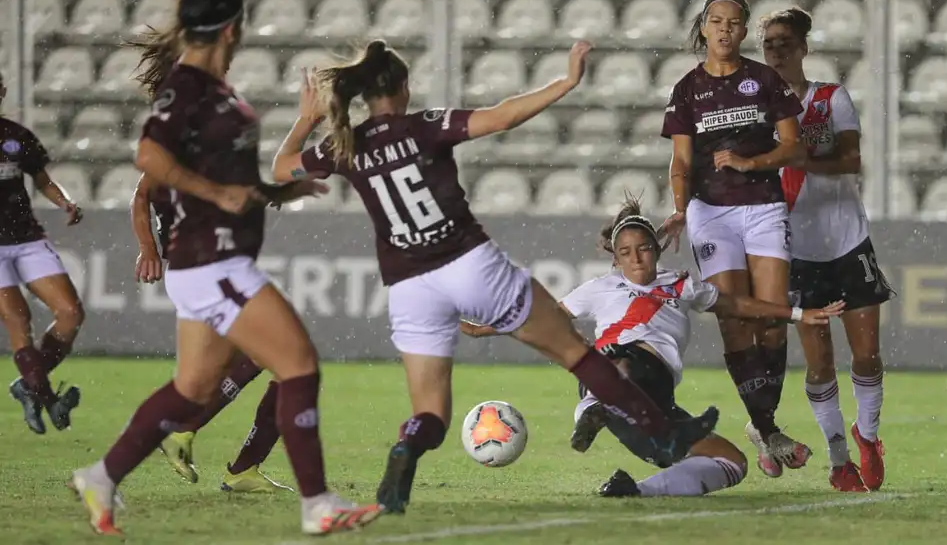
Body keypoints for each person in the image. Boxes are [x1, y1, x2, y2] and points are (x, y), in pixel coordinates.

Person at [271, 39, 721, 515]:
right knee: (573, 349)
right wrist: (565, 82)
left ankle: (408, 447)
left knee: (431, 413)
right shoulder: (427, 126)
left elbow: (282, 169)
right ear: (404, 88)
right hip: (467, 262)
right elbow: (503, 116)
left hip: (409, 285)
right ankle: (665, 431)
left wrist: (307, 117)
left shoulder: (348, 144)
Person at [68, 0, 382, 536]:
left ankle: (102, 476)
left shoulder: (210, 89)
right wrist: (214, 190)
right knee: (298, 364)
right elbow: (149, 160)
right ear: (232, 29)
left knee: (192, 387)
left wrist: (278, 189)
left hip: (209, 262)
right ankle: (318, 504)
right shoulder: (185, 90)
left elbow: (230, 183)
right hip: (213, 261)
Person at [462, 196, 844, 498]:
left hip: (652, 402)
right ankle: (598, 403)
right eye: (625, 252)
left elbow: (738, 305)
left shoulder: (680, 284)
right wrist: (489, 330)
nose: (636, 257)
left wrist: (796, 313)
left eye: (643, 248)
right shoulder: (599, 288)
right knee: (620, 363)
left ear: (657, 248)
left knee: (731, 462)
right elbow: (547, 320)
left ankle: (633, 489)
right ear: (615, 259)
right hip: (621, 364)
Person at [659, 0, 812, 478]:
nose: (725, 30)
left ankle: (763, 426)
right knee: (734, 319)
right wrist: (681, 209)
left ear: (744, 31)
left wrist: (751, 161)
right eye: (716, 21)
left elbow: (793, 148)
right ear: (703, 27)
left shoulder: (764, 80)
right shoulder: (686, 89)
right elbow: (681, 160)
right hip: (712, 213)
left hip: (764, 207)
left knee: (772, 318)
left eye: (734, 23)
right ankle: (769, 430)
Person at [759, 7, 894, 492]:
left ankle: (869, 434)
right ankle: (840, 462)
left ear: (803, 48)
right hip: (795, 250)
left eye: (785, 42)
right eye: (769, 43)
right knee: (819, 363)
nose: (776, 50)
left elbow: (852, 159)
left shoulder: (830, 99)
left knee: (867, 354)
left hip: (847, 240)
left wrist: (800, 156)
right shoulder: (755, 109)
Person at [131, 173, 288, 494]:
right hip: (200, 271)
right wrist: (148, 248)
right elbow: (142, 194)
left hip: (212, 269)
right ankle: (189, 439)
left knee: (262, 360)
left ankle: (214, 450)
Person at [0, 71, 85, 435]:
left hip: (26, 238)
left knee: (70, 313)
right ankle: (47, 398)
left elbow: (42, 179)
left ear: (1, 91)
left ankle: (31, 387)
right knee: (19, 322)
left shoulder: (16, 137)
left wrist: (64, 201)